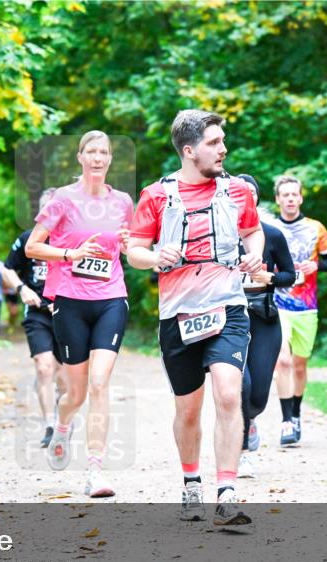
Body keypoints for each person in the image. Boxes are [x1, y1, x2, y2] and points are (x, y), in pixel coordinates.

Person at [127, 110, 263, 531]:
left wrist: (255, 254)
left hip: (228, 307)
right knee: (188, 410)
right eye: (214, 143)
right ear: (189, 151)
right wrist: (155, 256)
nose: (224, 149)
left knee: (229, 394)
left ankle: (227, 494)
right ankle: (191, 484)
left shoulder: (238, 190)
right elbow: (134, 250)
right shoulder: (156, 195)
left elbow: (252, 232)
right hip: (179, 314)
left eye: (223, 141)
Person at [25, 131, 132, 498]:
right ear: (81, 157)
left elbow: (131, 246)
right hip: (70, 302)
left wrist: (129, 245)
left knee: (100, 383)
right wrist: (71, 254)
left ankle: (95, 471)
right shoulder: (63, 199)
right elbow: (32, 247)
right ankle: (63, 421)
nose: (98, 158)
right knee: (76, 393)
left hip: (111, 298)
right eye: (92, 152)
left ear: (110, 159)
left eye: (104, 152)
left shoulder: (122, 202)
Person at [233, 174, 297, 479]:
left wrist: (268, 278)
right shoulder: (220, 236)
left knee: (257, 394)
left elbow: (290, 275)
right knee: (240, 386)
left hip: (265, 319)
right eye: (239, 192)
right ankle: (242, 453)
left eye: (251, 193)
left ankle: (251, 420)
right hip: (231, 320)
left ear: (257, 199)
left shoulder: (271, 235)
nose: (245, 197)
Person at [271, 175, 327, 446]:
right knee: (283, 361)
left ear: (300, 198)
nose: (289, 199)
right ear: (277, 199)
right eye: (284, 195)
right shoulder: (270, 228)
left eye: (293, 194)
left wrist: (316, 266)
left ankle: (296, 414)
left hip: (306, 306)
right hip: (277, 303)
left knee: (299, 366)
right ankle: (286, 421)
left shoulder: (315, 228)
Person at [2, 188, 68, 448]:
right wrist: (22, 289)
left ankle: (63, 417)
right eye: (46, 210)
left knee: (64, 374)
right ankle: (50, 425)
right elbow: (7, 269)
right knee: (44, 367)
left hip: (67, 313)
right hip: (37, 313)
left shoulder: (72, 239)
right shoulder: (28, 239)